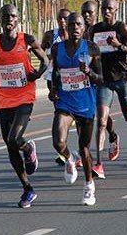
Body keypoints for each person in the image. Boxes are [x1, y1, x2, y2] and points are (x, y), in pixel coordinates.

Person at [0, 4, 48, 208]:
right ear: (0, 19)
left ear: (18, 19)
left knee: (14, 138)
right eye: (5, 16)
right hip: (4, 99)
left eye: (13, 16)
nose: (9, 19)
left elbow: (45, 61)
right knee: (9, 145)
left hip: (24, 96)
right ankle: (27, 189)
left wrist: (37, 74)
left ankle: (27, 147)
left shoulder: (27, 40)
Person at [49, 13, 103, 206]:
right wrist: (53, 90)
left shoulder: (91, 49)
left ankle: (89, 186)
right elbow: (54, 73)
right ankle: (70, 159)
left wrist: (89, 72)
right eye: (72, 24)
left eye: (79, 24)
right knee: (58, 142)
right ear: (66, 27)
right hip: (65, 102)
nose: (75, 28)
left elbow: (101, 79)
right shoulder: (57, 49)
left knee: (85, 148)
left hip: (86, 104)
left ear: (84, 28)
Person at [89, 0, 127, 179]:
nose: (106, 11)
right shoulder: (95, 30)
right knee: (101, 121)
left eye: (110, 8)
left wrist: (119, 46)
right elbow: (87, 52)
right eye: (104, 8)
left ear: (116, 10)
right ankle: (99, 164)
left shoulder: (121, 28)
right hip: (104, 81)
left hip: (121, 79)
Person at [81, 1, 119, 162]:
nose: (86, 15)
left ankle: (112, 135)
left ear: (97, 13)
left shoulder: (99, 32)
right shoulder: (77, 30)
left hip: (100, 79)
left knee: (101, 117)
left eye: (90, 12)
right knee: (82, 117)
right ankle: (84, 152)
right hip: (82, 79)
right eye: (84, 12)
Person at [42, 8, 73, 166]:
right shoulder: (50, 35)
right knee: (59, 112)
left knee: (69, 112)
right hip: (52, 78)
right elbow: (40, 51)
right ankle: (62, 152)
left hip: (70, 79)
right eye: (60, 18)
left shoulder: (76, 36)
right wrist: (47, 57)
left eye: (65, 18)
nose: (62, 21)